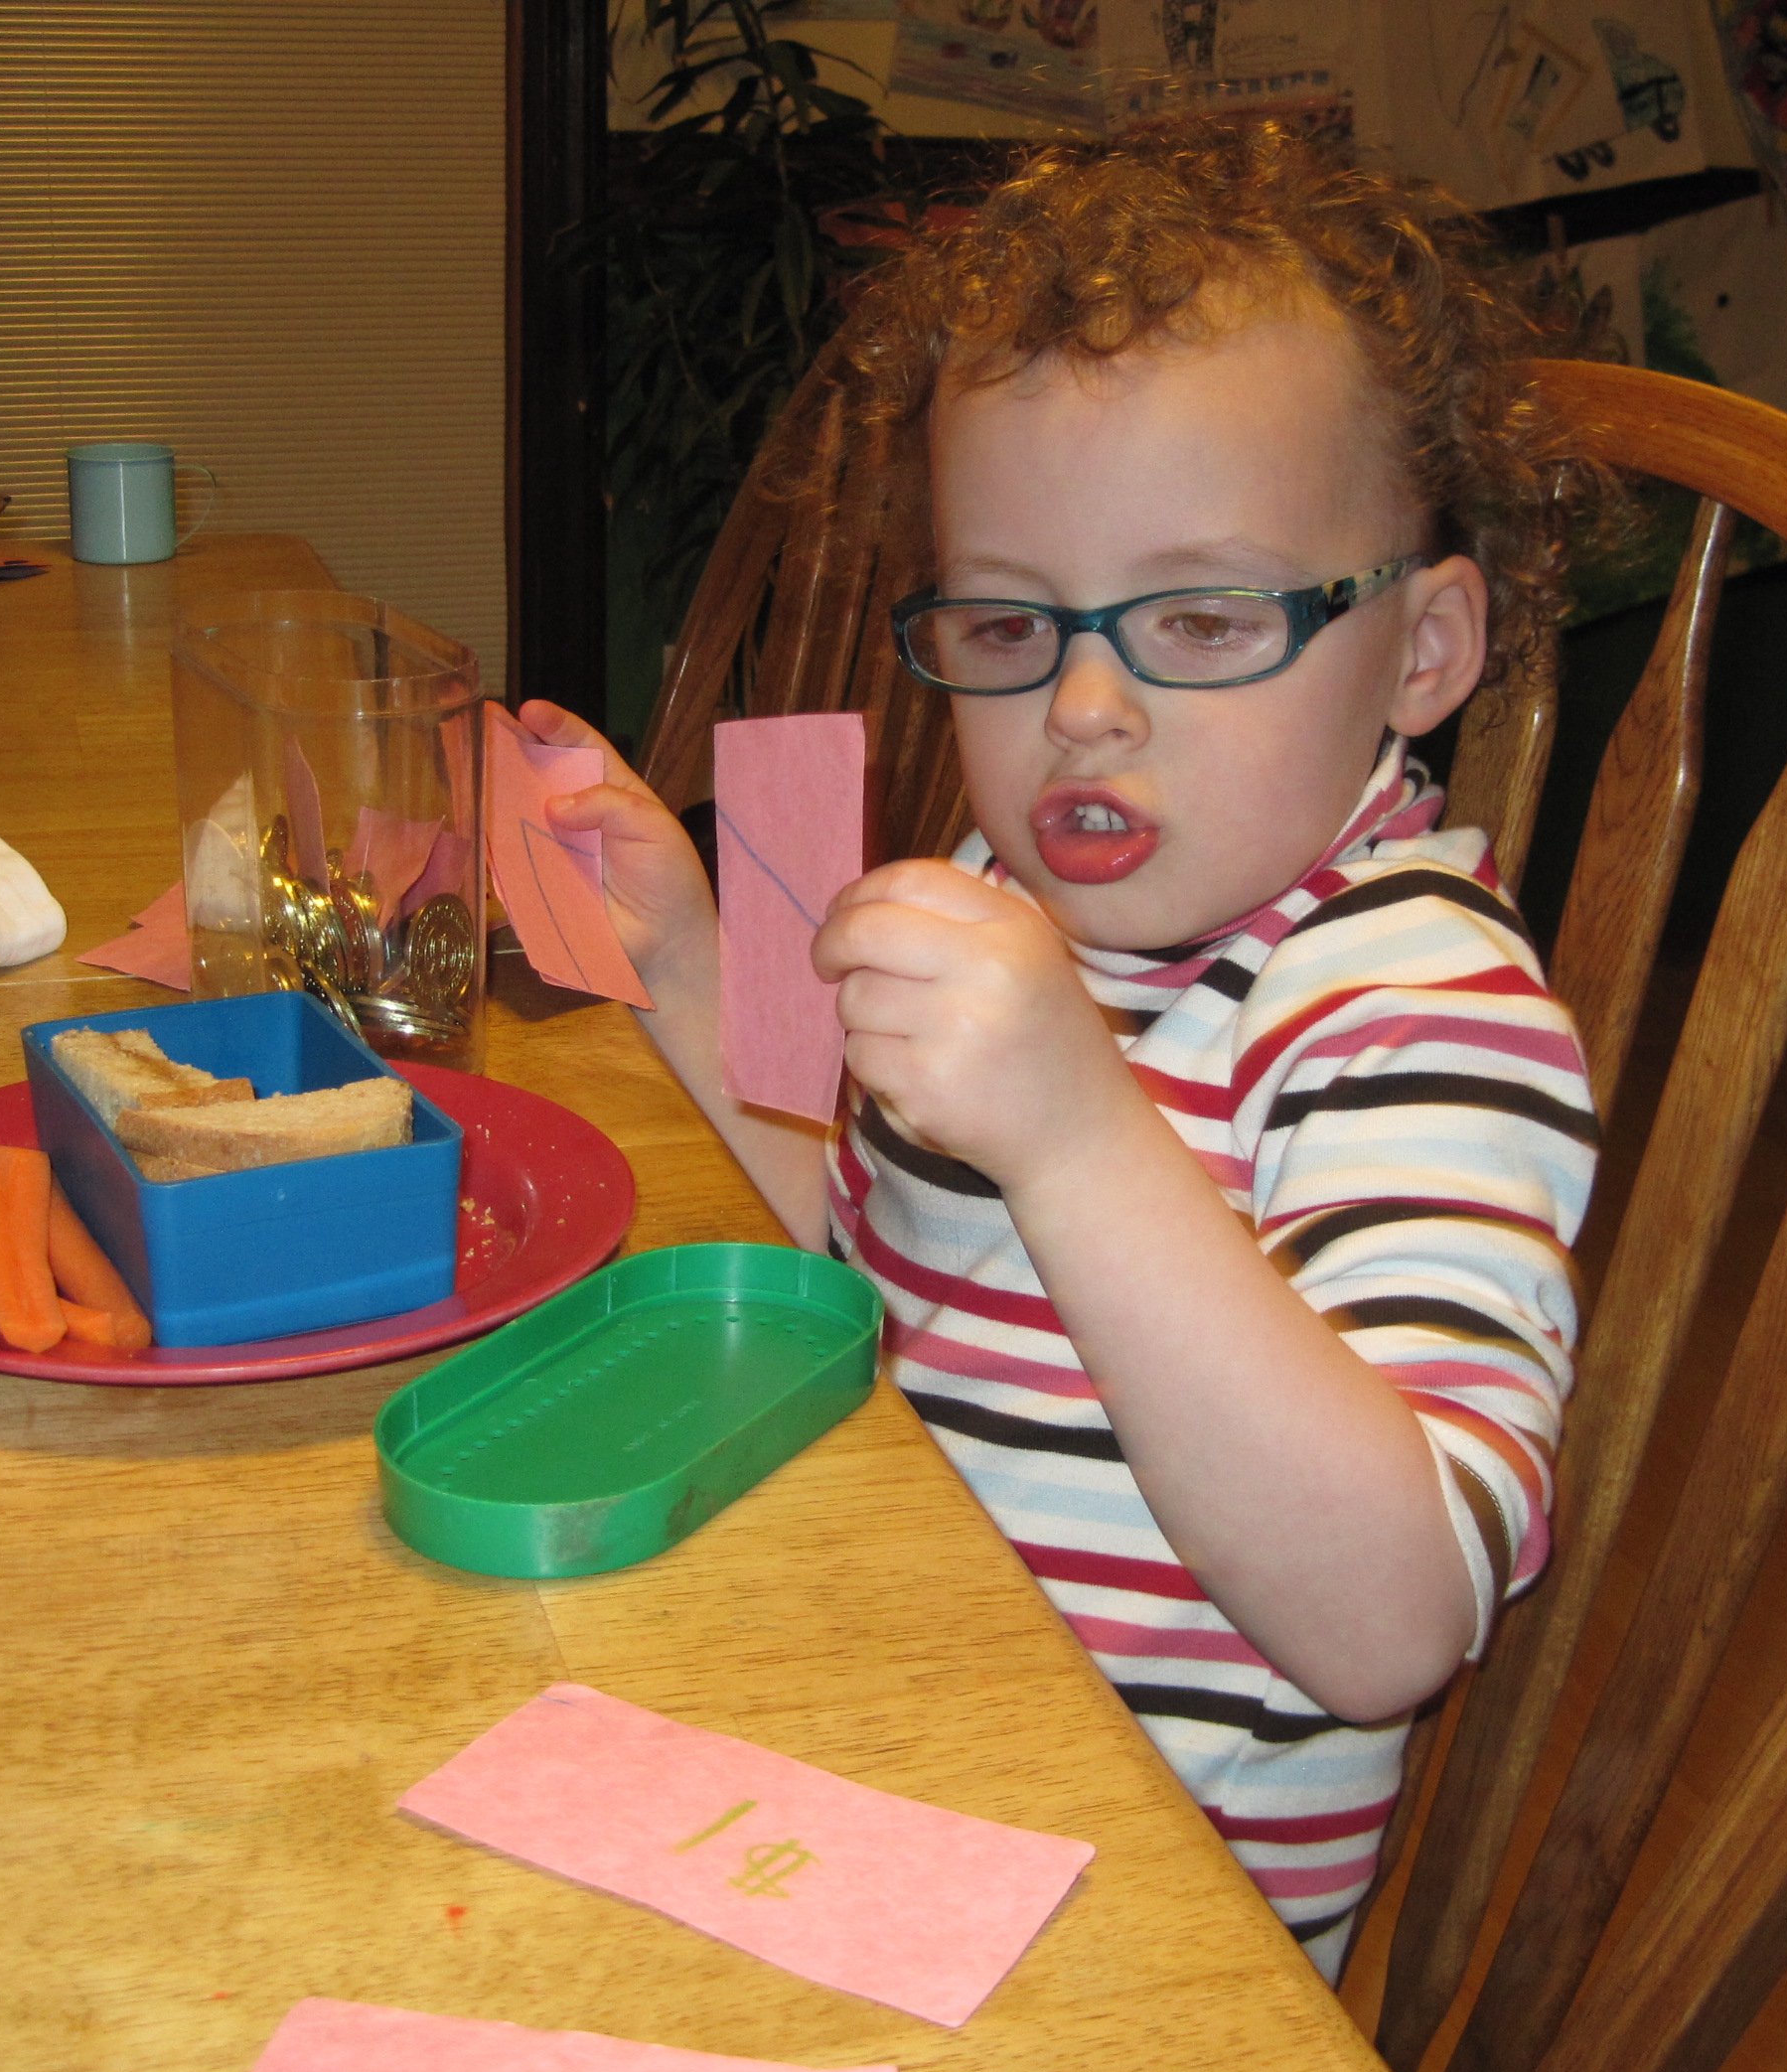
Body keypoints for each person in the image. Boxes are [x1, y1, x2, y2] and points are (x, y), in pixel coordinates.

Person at [522, 116, 1598, 1977]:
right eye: (1013, 624)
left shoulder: (1416, 1007)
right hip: (872, 1751)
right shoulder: (1008, 892)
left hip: (1124, 1943)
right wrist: (690, 968)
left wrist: (1083, 1136)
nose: (1086, 707)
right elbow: (876, 1272)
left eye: (1202, 618)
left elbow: (1392, 1622)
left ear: (1423, 652)